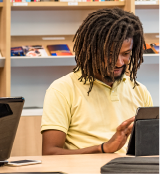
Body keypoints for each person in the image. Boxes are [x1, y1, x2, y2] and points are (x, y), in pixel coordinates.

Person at [41, 8, 153, 155]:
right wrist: (103, 148)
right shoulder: (62, 89)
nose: (119, 62)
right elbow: (50, 153)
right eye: (110, 55)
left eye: (126, 54)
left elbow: (151, 148)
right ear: (93, 51)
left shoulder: (139, 91)